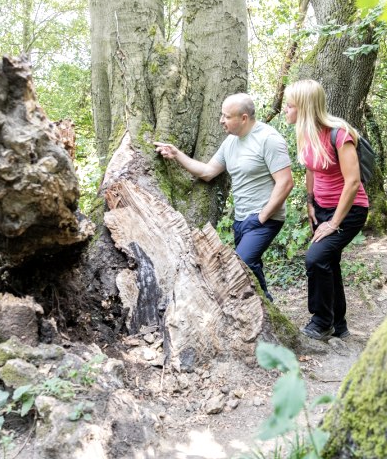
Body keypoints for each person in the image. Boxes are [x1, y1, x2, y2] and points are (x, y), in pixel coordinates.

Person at [154, 93, 294, 301]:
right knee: (250, 266)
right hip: (241, 220)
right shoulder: (231, 142)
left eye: (227, 116)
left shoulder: (268, 139)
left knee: (241, 264)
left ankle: (266, 308)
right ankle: (267, 307)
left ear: (244, 118)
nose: (221, 120)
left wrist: (262, 217)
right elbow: (208, 171)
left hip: (265, 219)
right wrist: (177, 155)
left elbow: (286, 182)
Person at [284, 79, 369, 340]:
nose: (285, 110)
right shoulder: (305, 133)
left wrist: (333, 223)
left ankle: (321, 322)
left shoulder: (340, 134)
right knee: (329, 262)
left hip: (349, 210)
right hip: (321, 209)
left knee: (316, 258)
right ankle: (339, 325)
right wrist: (310, 203)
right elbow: (311, 168)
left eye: (290, 106)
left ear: (305, 107)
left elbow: (353, 182)